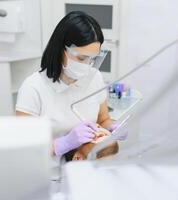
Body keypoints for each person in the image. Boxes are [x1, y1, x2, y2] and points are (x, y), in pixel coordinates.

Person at [15, 11, 120, 174]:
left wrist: (112, 127)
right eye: (82, 58)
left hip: (84, 171)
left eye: (93, 58)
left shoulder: (94, 77)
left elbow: (103, 119)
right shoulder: (33, 88)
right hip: (46, 174)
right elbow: (23, 146)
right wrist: (62, 144)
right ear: (61, 49)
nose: (88, 65)